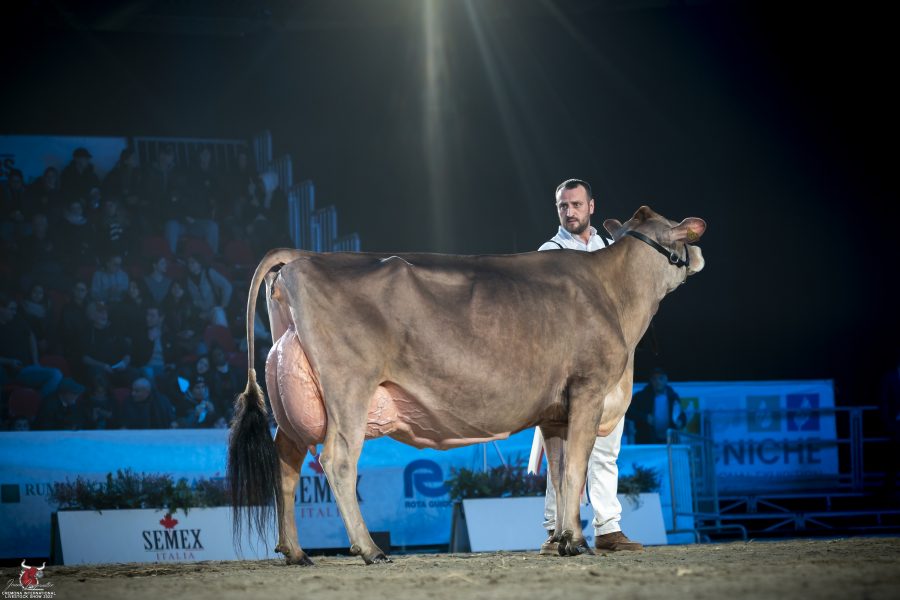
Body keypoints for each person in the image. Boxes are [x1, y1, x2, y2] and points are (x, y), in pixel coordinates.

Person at [537, 178, 643, 553]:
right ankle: (555, 529)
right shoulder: (549, 253)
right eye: (563, 206)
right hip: (564, 372)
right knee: (561, 453)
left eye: (577, 204)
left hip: (609, 368)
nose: (570, 212)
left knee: (606, 451)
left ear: (591, 207)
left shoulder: (610, 249)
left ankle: (608, 528)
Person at [0, 291, 63, 400]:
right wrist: (9, 361)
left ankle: (34, 401)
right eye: (11, 309)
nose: (14, 312)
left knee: (62, 380)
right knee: (56, 375)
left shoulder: (16, 319)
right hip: (15, 372)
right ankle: (35, 402)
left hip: (30, 366)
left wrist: (35, 361)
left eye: (15, 309)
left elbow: (31, 335)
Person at [630, 367, 685, 444]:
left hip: (669, 442)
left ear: (666, 379)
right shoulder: (640, 397)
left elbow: (680, 414)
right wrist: (645, 417)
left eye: (661, 378)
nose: (658, 381)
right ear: (651, 380)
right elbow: (629, 412)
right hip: (647, 441)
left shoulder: (673, 397)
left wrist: (681, 422)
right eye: (654, 379)